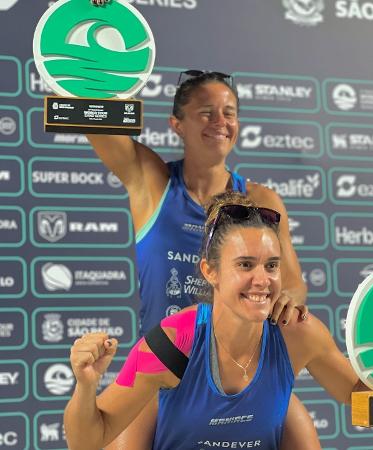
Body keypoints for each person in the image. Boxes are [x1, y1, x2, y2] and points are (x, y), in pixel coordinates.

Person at [85, 0, 313, 445]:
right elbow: (93, 112)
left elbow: (296, 285)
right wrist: (93, 18)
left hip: (245, 371)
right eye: (206, 112)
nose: (220, 121)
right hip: (168, 369)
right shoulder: (151, 181)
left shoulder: (262, 200)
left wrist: (286, 297)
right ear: (176, 123)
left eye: (229, 112)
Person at [64, 192, 373, 450]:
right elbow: (88, 438)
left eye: (271, 265)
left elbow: (362, 401)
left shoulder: (298, 333)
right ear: (210, 272)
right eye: (245, 265)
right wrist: (84, 385)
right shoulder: (171, 342)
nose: (262, 280)